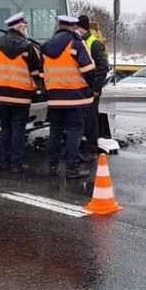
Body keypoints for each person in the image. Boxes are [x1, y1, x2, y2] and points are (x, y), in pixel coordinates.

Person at [41, 15, 96, 179]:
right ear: (73, 26)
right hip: (75, 97)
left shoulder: (45, 47)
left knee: (55, 132)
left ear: (59, 26)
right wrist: (90, 86)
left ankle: (53, 166)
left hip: (54, 97)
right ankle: (72, 169)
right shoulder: (76, 43)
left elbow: (42, 74)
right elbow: (89, 69)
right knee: (74, 132)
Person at [0, 12, 41, 173]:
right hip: (21, 96)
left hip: (0, 95)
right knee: (18, 130)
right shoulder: (28, 47)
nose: (26, 30)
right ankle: (16, 164)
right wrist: (39, 87)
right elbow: (35, 72)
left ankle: (5, 161)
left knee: (5, 130)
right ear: (20, 27)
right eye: (25, 27)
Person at [76, 14, 110, 158]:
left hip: (91, 88)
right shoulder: (80, 41)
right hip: (82, 87)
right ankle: (85, 142)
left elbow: (103, 67)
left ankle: (91, 146)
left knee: (91, 117)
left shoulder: (93, 43)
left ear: (82, 28)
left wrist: (96, 88)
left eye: (77, 27)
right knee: (83, 116)